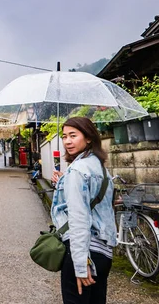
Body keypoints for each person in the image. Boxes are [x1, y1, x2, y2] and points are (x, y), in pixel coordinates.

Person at [51, 117, 116, 304]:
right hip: (104, 253)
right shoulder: (100, 168)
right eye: (64, 136)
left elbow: (79, 219)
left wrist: (80, 265)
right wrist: (65, 182)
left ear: (88, 138)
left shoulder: (77, 170)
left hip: (83, 252)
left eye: (73, 135)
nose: (67, 141)